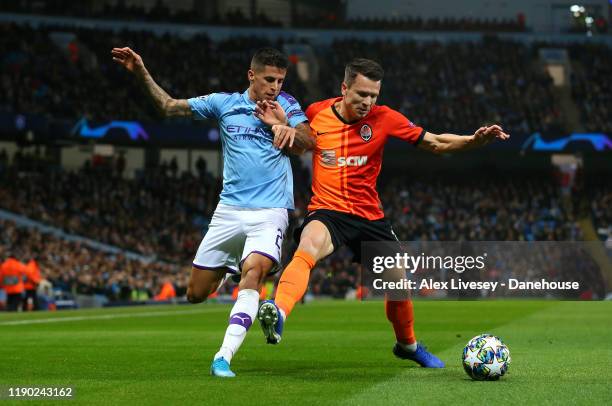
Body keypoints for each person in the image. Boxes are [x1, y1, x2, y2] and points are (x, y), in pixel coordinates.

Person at [257, 58, 509, 367]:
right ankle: (278, 311)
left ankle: (408, 345)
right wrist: (281, 126)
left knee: (398, 284)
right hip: (328, 210)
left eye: (373, 96)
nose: (367, 102)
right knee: (307, 247)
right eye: (361, 94)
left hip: (369, 217)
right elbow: (297, 145)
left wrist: (474, 140)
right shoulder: (316, 113)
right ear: (344, 88)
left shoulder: (385, 117)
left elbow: (436, 142)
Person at [112, 46, 314, 377]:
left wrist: (283, 125)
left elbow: (310, 142)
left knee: (255, 273)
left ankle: (223, 356)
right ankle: (227, 270)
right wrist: (140, 71)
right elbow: (167, 107)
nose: (275, 87)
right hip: (229, 210)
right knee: (195, 294)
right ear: (252, 76)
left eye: (280, 80)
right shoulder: (224, 104)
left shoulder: (287, 105)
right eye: (268, 80)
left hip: (270, 210)